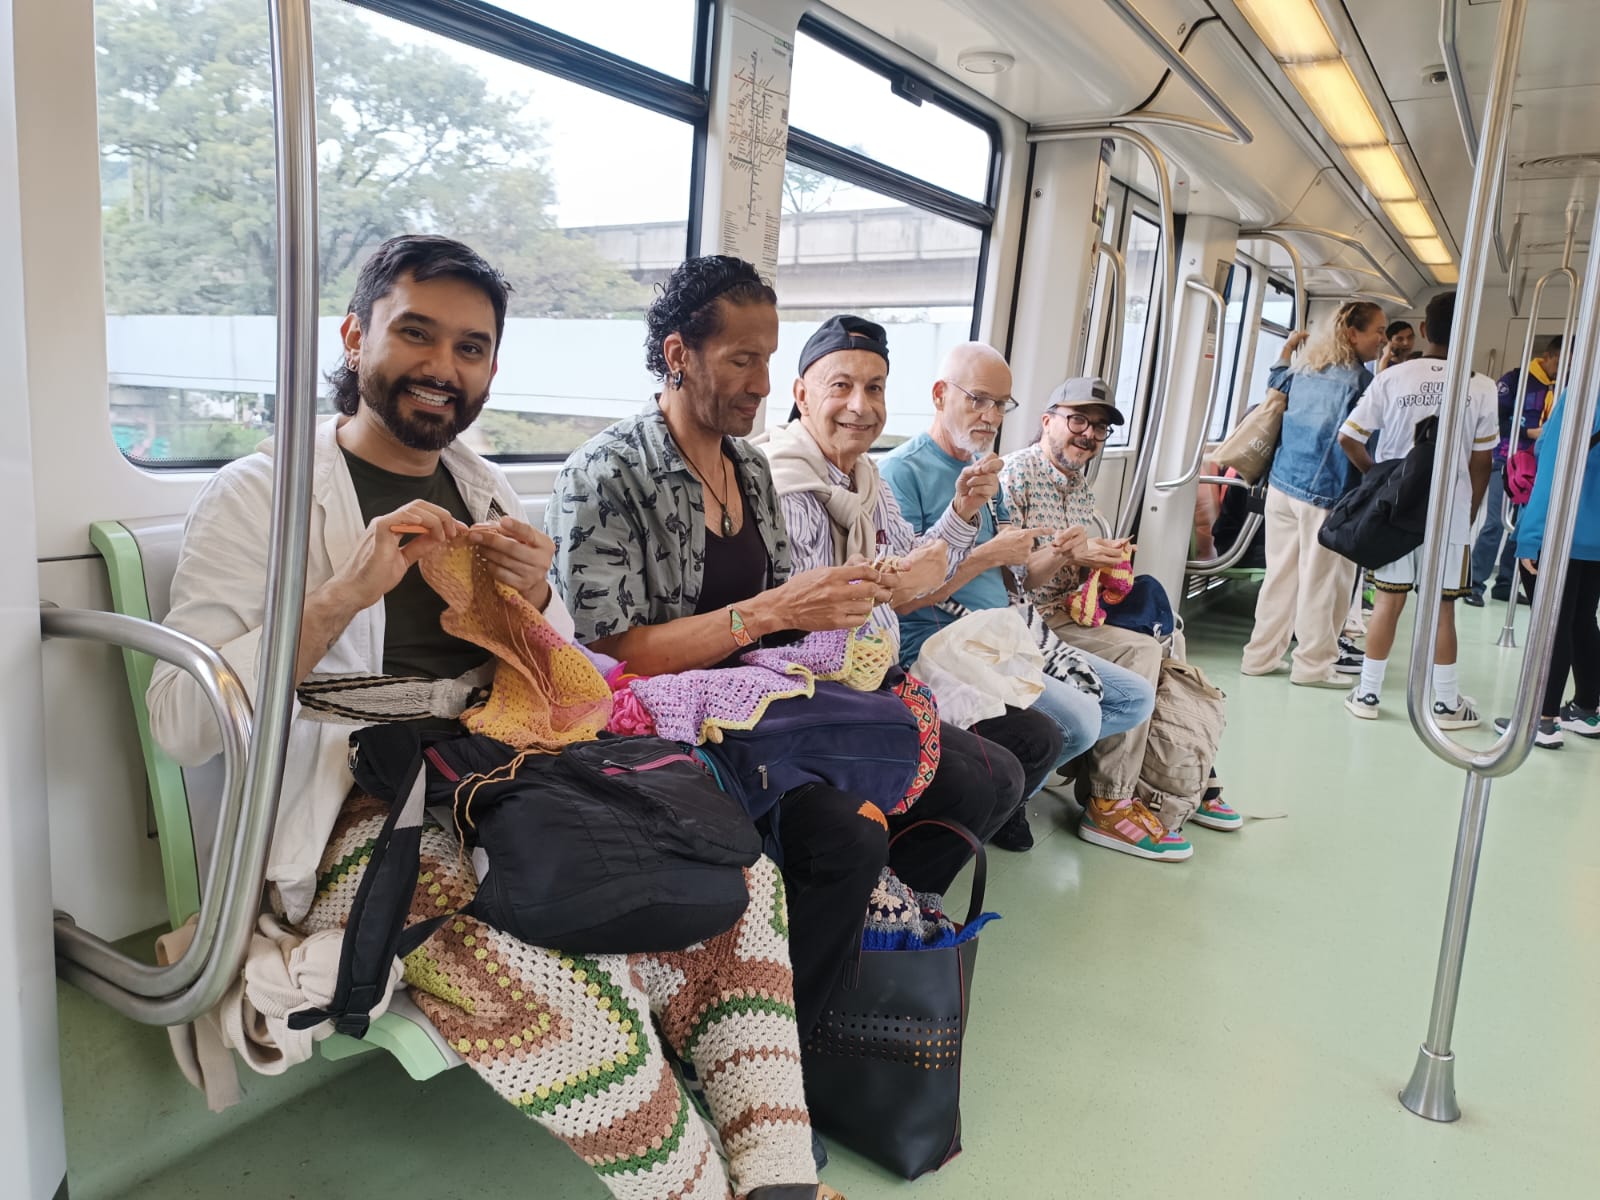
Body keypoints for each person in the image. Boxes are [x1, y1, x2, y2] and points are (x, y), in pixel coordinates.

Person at [147, 236, 835, 1200]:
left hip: (502, 772)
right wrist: (339, 598)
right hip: (357, 807)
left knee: (744, 881)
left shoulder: (480, 487)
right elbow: (183, 721)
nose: (442, 368)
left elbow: (556, 678)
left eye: (471, 348)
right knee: (568, 993)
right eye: (416, 335)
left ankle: (778, 1180)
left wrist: (534, 594)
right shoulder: (260, 496)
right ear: (356, 336)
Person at [545, 257, 1008, 1047]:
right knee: (847, 833)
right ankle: (775, 1041)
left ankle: (827, 979)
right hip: (653, 729)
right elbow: (615, 656)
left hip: (752, 706)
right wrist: (768, 615)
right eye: (741, 359)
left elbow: (783, 625)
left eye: (768, 358)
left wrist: (841, 608)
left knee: (968, 771)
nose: (762, 384)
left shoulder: (749, 470)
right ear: (678, 356)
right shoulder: (607, 473)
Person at [761, 314, 1067, 854]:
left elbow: (916, 563)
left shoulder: (865, 480)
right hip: (821, 688)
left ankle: (903, 883)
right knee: (981, 780)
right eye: (842, 386)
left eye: (874, 388)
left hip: (879, 671)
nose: (861, 404)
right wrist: (897, 583)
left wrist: (963, 508)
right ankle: (888, 891)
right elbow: (863, 599)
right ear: (801, 395)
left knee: (1032, 745)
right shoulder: (784, 484)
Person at [877, 353, 1169, 862]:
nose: (990, 416)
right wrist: (985, 555)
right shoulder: (902, 473)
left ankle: (1013, 794)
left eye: (1000, 404)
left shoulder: (984, 472)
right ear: (940, 395)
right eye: (977, 400)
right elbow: (904, 596)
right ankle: (1003, 800)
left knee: (1135, 698)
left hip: (1010, 628)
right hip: (943, 639)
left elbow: (1019, 577)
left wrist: (1057, 552)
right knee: (1079, 720)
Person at [997, 376, 1237, 861]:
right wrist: (1078, 557)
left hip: (1071, 611)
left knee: (1165, 633)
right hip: (1030, 618)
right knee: (1143, 649)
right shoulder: (1015, 475)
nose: (1088, 434)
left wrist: (1108, 562)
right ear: (1047, 421)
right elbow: (1012, 578)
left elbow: (1080, 564)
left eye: (1100, 428)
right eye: (1078, 420)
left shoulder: (1079, 488)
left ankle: (1180, 777)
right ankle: (1110, 799)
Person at [1336, 290, 1496, 727]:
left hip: (1395, 511)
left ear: (1424, 330)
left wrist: (1378, 479)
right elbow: (1482, 462)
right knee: (1444, 609)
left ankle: (1368, 694)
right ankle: (1445, 704)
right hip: (1449, 513)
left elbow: (1349, 437)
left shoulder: (1393, 378)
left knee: (1388, 603)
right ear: (1469, 330)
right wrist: (1468, 510)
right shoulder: (1481, 386)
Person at [1240, 301, 1387, 687]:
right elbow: (1362, 441)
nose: (1383, 340)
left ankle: (1259, 656)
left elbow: (1275, 384)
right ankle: (1313, 666)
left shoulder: (1305, 370)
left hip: (1282, 487)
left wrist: (1287, 350)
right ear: (1353, 334)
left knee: (1280, 576)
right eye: (1378, 331)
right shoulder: (1361, 384)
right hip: (1325, 495)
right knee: (1322, 581)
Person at [1493, 390, 1600, 748]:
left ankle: (1541, 719)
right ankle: (1587, 707)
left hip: (1562, 530)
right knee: (1583, 619)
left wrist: (1533, 535)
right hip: (1596, 536)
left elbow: (1554, 466)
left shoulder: (1582, 394)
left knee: (1552, 623)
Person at [1468, 335, 1563, 606]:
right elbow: (1494, 419)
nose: (1562, 368)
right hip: (1507, 458)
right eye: (1559, 361)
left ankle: (1506, 583)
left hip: (1537, 462)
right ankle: (1474, 583)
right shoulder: (1514, 381)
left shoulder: (1564, 388)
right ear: (1548, 356)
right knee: (1497, 521)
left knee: (1521, 525)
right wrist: (1527, 431)